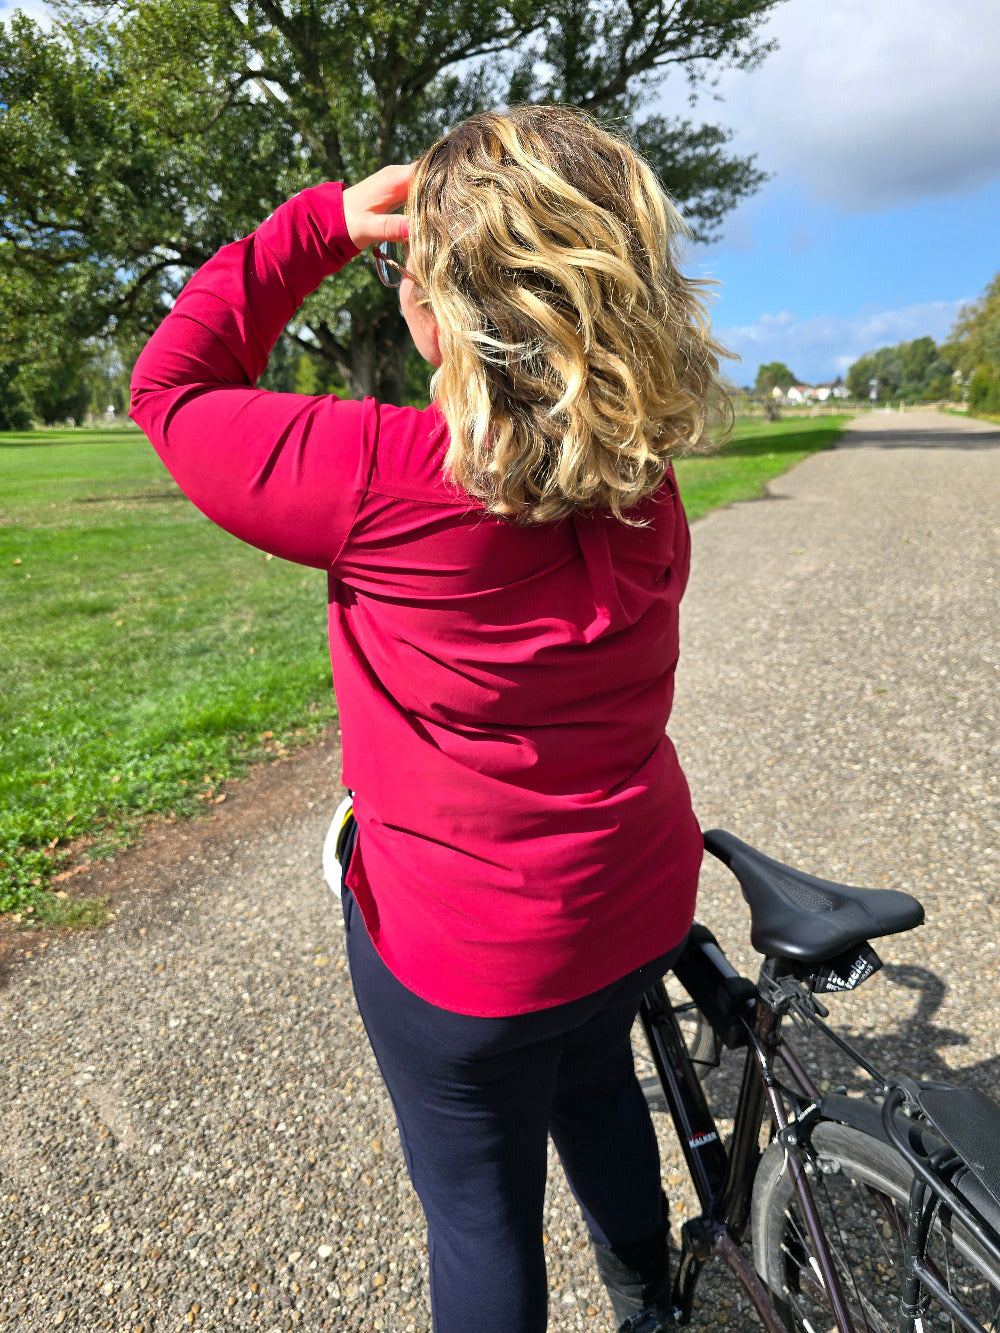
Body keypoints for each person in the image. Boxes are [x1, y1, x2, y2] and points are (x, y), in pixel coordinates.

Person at [130, 104, 729, 1333]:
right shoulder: (642, 484)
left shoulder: (376, 475)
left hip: (469, 952)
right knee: (599, 1087)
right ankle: (650, 1305)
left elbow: (172, 385)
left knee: (475, 1211)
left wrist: (319, 228)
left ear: (436, 303)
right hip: (634, 895)